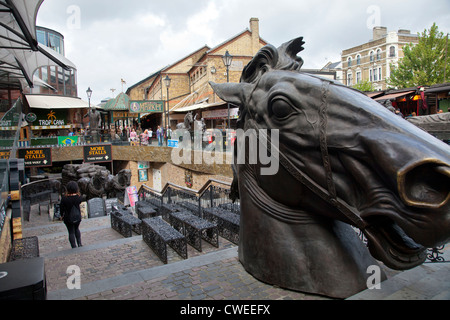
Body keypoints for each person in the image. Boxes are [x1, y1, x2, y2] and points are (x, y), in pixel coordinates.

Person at [60, 181, 83, 248]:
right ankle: (79, 243)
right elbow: (80, 200)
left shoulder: (64, 198)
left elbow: (61, 208)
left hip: (68, 217)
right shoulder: (78, 197)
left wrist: (61, 215)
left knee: (71, 232)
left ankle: (73, 246)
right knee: (77, 229)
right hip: (77, 216)